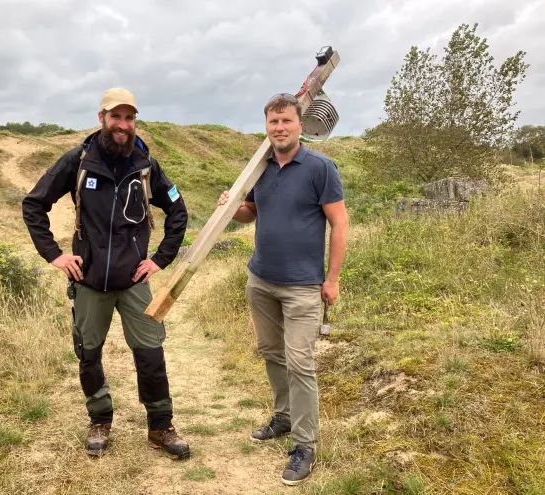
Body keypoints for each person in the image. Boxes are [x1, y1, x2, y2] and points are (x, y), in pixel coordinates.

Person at [22, 87, 190, 460]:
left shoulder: (146, 165)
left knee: (150, 353)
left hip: (134, 282)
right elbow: (34, 204)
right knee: (89, 353)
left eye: (129, 118)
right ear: (101, 118)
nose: (123, 125)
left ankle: (161, 426)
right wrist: (55, 255)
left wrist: (160, 260)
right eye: (116, 116)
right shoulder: (78, 161)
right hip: (89, 281)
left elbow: (178, 211)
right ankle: (99, 420)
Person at [218, 93, 349, 485]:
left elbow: (339, 224)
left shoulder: (320, 167)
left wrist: (332, 279)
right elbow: (251, 213)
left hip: (302, 287)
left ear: (300, 124)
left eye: (286, 121)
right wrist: (232, 204)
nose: (279, 128)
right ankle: (284, 417)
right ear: (267, 126)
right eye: (273, 122)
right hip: (261, 280)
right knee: (272, 353)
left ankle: (305, 444)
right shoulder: (261, 169)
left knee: (300, 363)